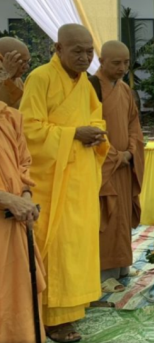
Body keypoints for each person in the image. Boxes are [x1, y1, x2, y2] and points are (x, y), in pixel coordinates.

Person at [19, 23, 109, 342]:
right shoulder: (40, 78)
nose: (85, 58)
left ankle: (76, 302)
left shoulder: (85, 83)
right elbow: (28, 130)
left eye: (89, 51)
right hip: (52, 180)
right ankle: (53, 317)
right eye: (77, 51)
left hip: (80, 174)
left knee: (79, 242)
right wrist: (73, 133)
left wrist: (94, 131)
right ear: (58, 49)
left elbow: (96, 117)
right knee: (56, 244)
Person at [91, 41, 145, 290]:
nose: (123, 67)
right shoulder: (91, 88)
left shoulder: (124, 89)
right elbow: (89, 127)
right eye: (116, 63)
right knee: (107, 215)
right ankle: (103, 274)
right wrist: (114, 155)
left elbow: (134, 123)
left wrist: (131, 152)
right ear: (101, 61)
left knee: (123, 213)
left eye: (126, 62)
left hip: (124, 164)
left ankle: (122, 264)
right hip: (102, 164)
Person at [0, 96, 47, 343]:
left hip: (15, 223)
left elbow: (23, 165)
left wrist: (26, 195)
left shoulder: (9, 117)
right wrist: (6, 199)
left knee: (19, 295)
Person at [0, 37, 31, 108]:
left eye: (28, 62)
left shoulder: (17, 80)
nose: (26, 67)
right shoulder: (7, 76)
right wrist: (6, 74)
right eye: (22, 62)